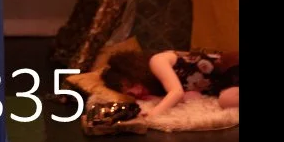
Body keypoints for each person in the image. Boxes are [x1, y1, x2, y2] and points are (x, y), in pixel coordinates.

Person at [101, 47, 239, 117]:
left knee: (226, 100)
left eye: (131, 84)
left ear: (135, 72)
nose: (135, 92)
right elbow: (190, 96)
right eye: (129, 93)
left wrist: (151, 115)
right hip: (228, 83)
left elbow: (176, 93)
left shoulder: (157, 61)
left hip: (231, 67)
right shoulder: (158, 85)